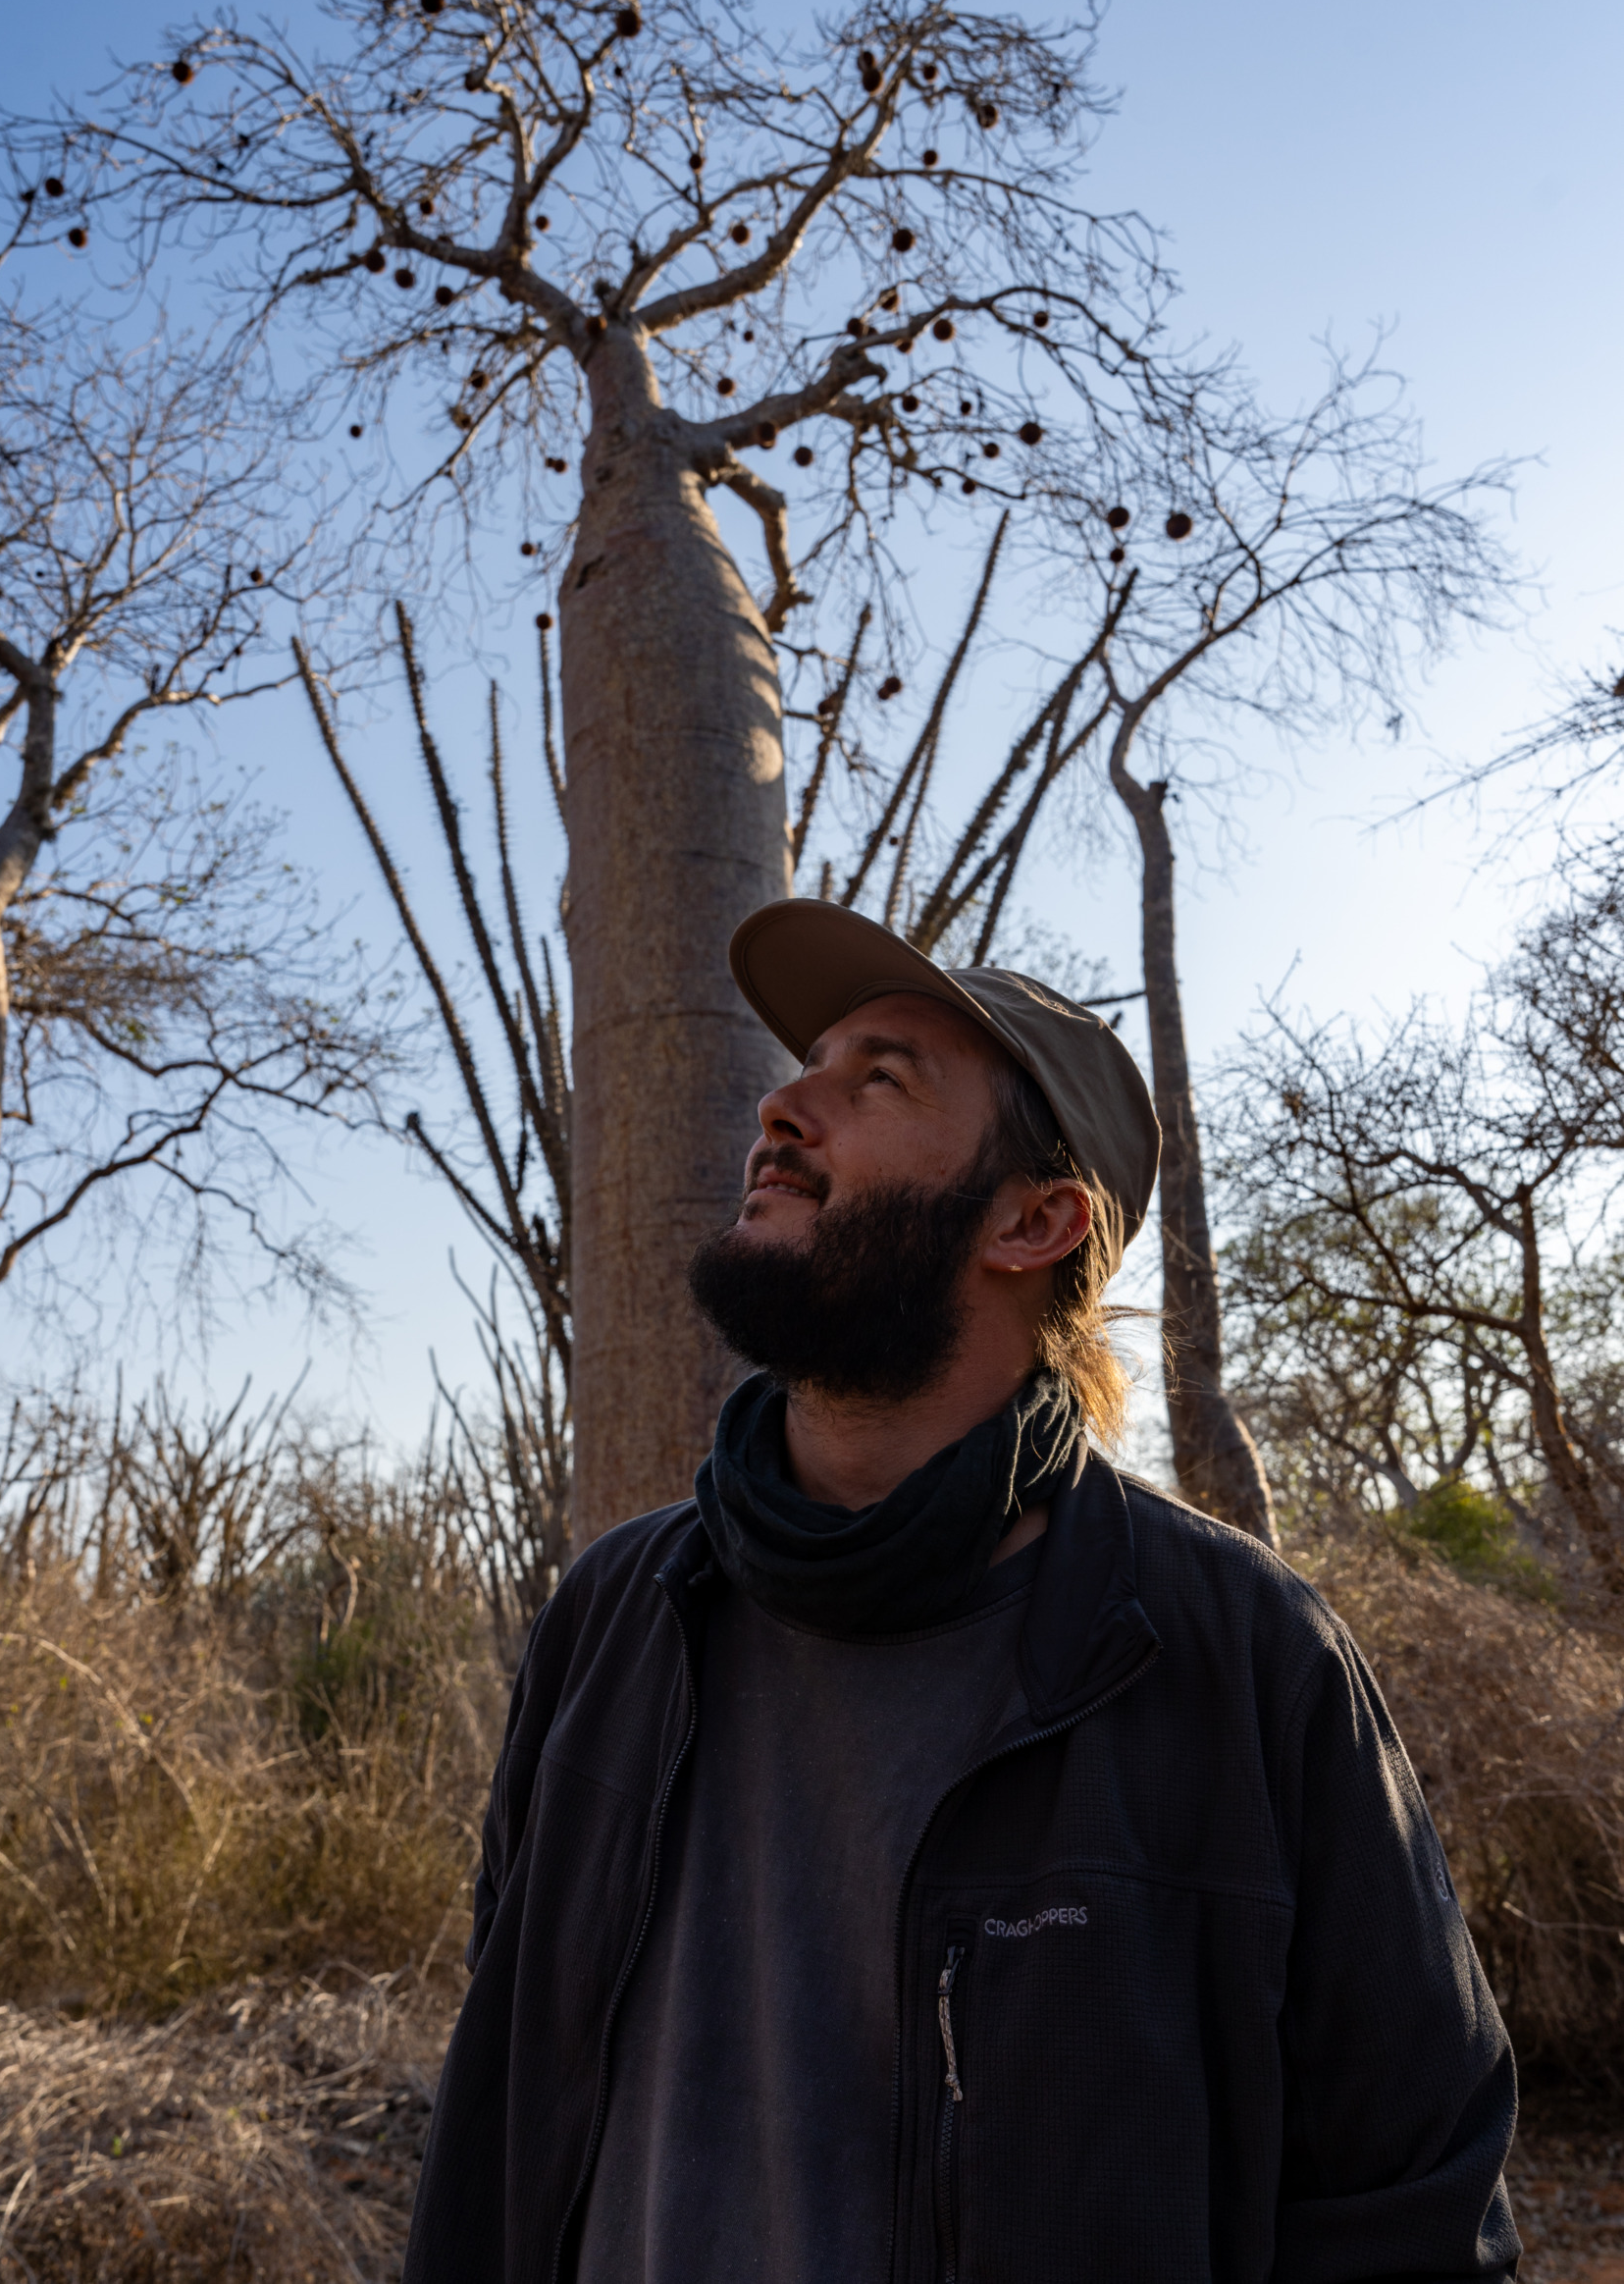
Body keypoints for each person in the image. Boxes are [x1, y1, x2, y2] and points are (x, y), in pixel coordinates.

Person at [403, 900, 1520, 2284]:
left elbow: (1416, 2206)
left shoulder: (1241, 1661)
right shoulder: (609, 1618)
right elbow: (504, 2105)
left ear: (1033, 1219)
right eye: (810, 1062)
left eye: (878, 1078)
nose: (785, 1104)